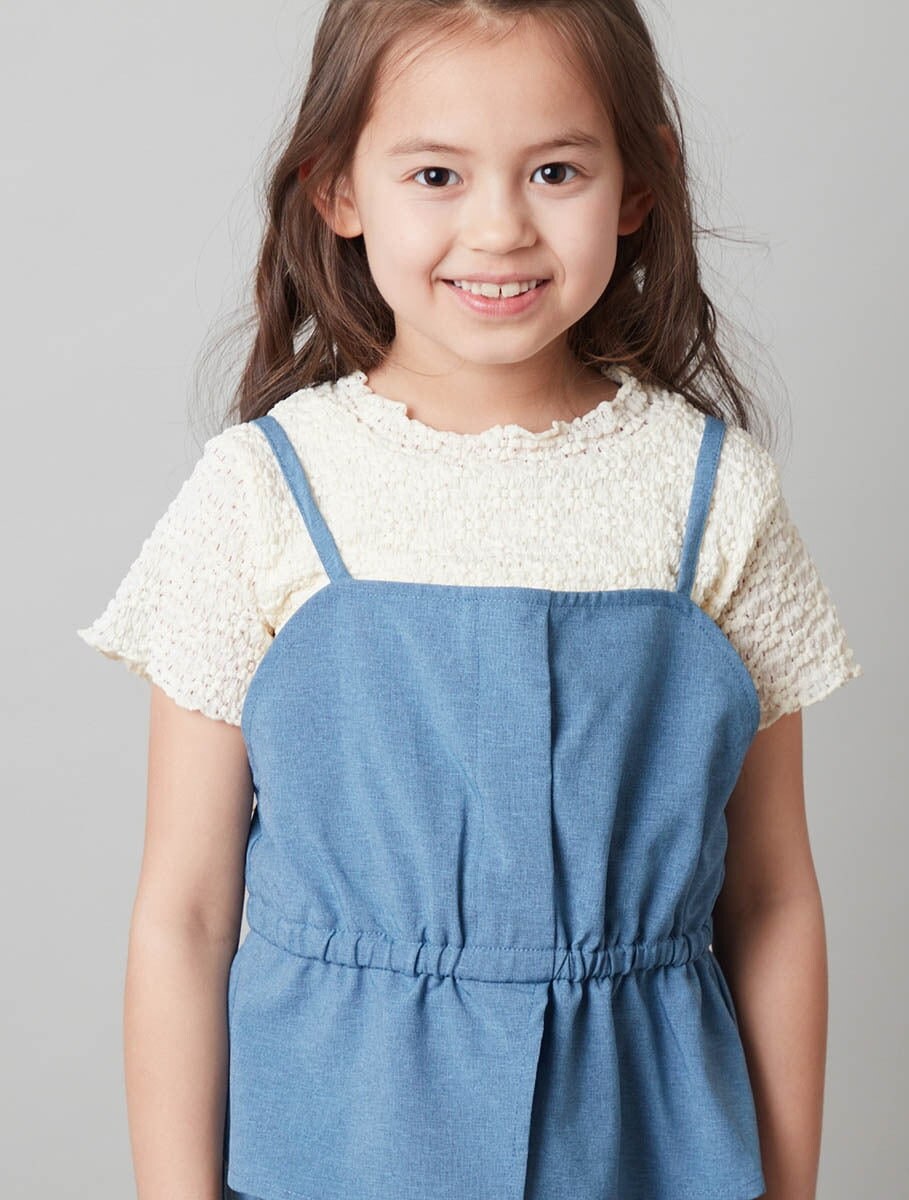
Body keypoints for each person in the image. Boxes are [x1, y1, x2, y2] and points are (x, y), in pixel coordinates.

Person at [76, 2, 864, 1198]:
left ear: (638, 185)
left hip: (643, 1149)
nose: (499, 228)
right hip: (337, 1146)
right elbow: (184, 913)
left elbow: (770, 898)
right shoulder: (262, 493)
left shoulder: (713, 497)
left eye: (555, 171)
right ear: (337, 189)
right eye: (436, 174)